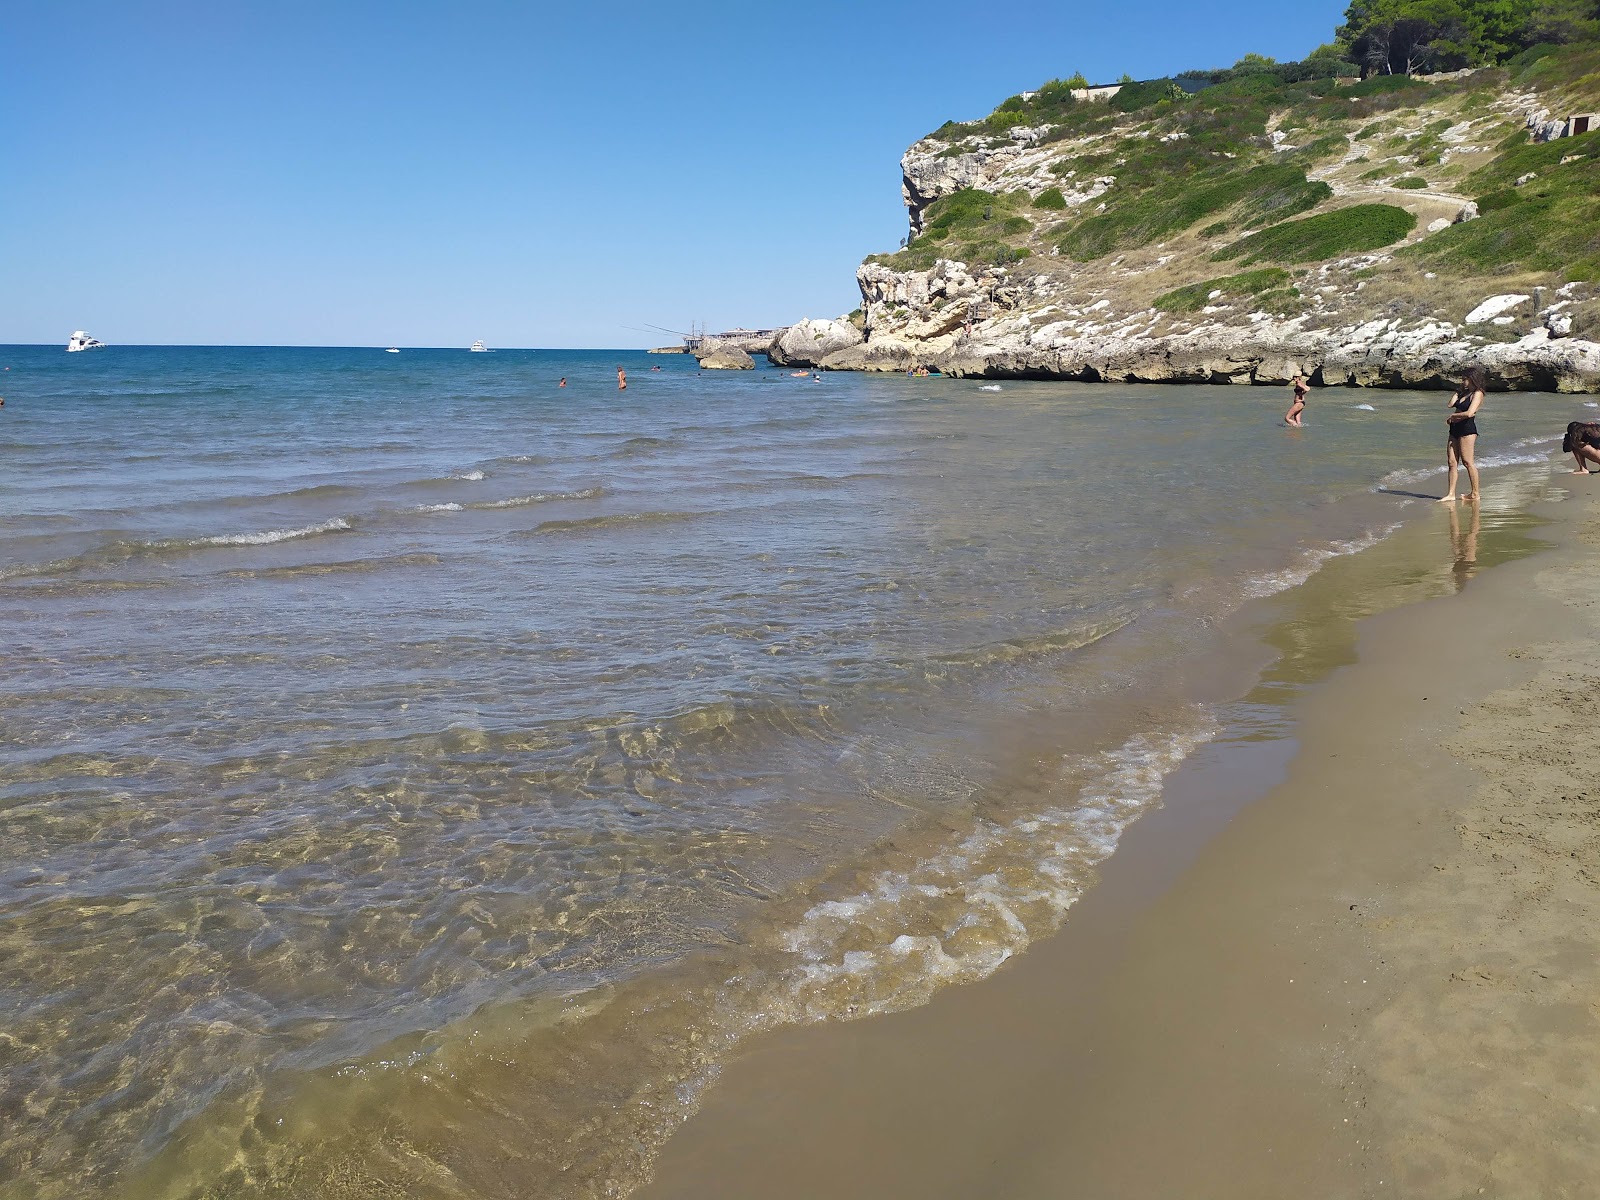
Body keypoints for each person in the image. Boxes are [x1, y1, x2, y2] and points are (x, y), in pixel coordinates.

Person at [1439, 366, 1486, 503]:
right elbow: (1450, 404)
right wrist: (1457, 392)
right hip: (1454, 428)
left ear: (1472, 379)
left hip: (1467, 429)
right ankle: (1451, 494)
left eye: (1465, 379)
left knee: (1467, 462)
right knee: (1452, 462)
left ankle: (1475, 493)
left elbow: (1470, 413)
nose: (1463, 382)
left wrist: (1453, 416)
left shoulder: (1478, 393)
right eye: (1462, 379)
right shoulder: (1462, 393)